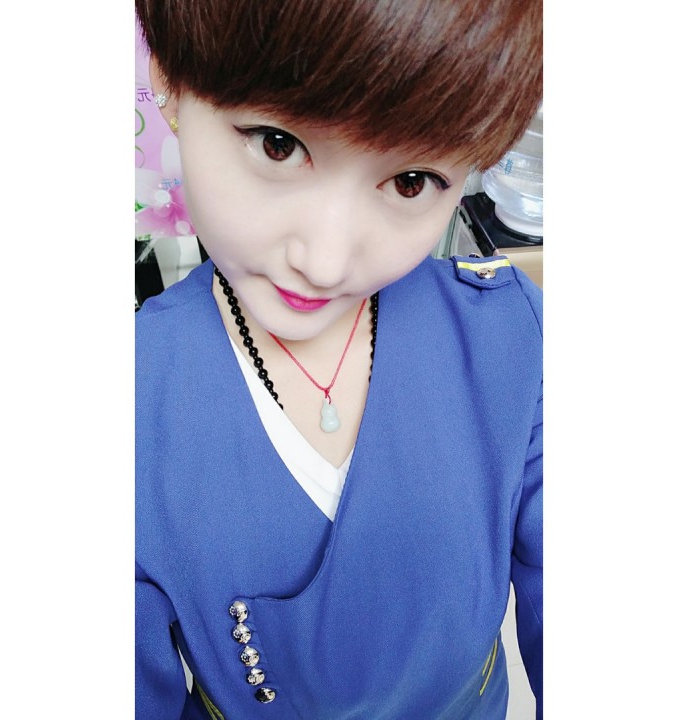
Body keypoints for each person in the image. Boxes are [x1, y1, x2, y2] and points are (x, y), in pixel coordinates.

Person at [135, 0, 543, 718]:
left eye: (411, 182)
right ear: (168, 79)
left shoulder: (510, 337)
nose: (324, 262)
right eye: (277, 145)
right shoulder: (132, 400)